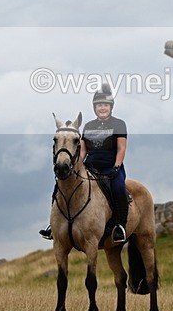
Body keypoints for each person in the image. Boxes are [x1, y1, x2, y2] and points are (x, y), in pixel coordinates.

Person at [40, 84, 130, 243]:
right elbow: (82, 150)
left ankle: (119, 227)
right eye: (99, 105)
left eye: (105, 105)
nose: (102, 108)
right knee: (59, 185)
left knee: (118, 189)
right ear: (95, 108)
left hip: (111, 167)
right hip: (91, 167)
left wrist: (116, 167)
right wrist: (75, 166)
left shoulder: (119, 124)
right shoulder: (88, 126)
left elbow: (121, 148)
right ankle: (53, 225)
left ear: (111, 107)